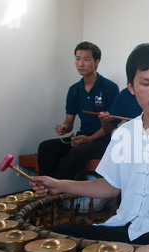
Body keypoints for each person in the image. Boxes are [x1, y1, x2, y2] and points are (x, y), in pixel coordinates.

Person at [30, 43, 149, 247]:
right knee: (59, 236)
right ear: (131, 87)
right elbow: (111, 186)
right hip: (125, 228)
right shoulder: (123, 133)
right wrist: (59, 184)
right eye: (146, 83)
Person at [37, 41, 119, 180]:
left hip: (102, 141)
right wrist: (63, 127)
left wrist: (89, 139)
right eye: (77, 58)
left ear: (97, 61)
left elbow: (110, 126)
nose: (81, 63)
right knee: (46, 147)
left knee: (76, 153)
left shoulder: (110, 88)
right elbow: (69, 123)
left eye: (86, 59)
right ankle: (49, 192)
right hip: (82, 137)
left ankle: (53, 193)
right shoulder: (74, 90)